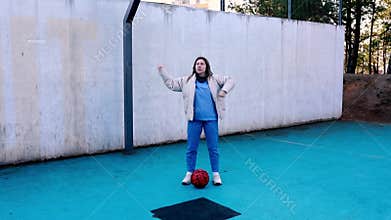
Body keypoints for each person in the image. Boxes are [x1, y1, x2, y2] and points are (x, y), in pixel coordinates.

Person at [157, 56, 235, 186]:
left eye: (202, 64)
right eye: (197, 64)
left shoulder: (214, 79)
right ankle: (189, 173)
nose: (199, 66)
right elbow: (171, 84)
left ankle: (216, 174)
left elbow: (231, 80)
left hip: (211, 119)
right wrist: (162, 72)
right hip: (194, 120)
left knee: (213, 148)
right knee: (191, 148)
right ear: (194, 67)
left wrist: (223, 91)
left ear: (206, 66)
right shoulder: (187, 80)